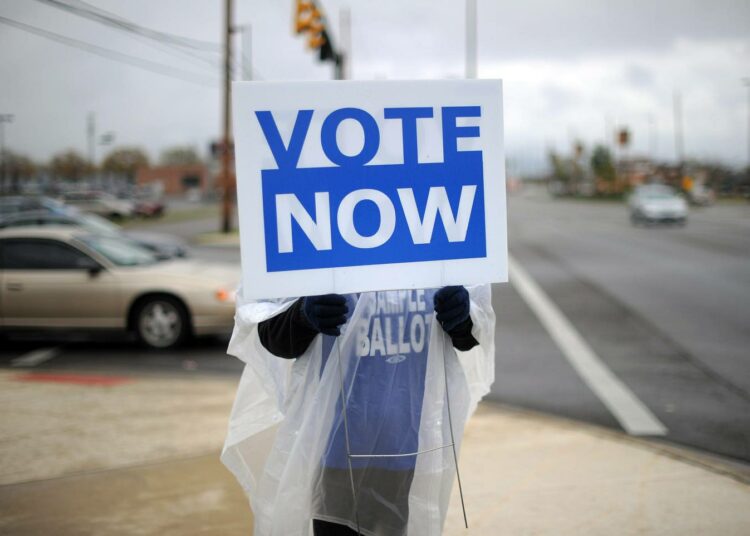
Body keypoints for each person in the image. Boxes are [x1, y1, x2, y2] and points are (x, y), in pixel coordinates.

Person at [222, 285, 495, 536]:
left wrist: (462, 317)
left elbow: (470, 335)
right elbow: (273, 337)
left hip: (410, 449)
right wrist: (303, 315)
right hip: (336, 452)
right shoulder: (316, 242)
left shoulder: (435, 245)